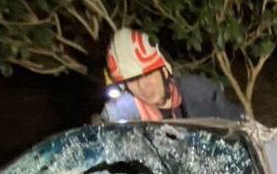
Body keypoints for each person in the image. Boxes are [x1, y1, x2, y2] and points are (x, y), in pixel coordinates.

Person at [100, 28, 244, 123]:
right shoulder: (119, 115)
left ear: (165, 70)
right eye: (132, 80)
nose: (143, 86)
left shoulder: (200, 93)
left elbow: (239, 124)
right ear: (125, 86)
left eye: (149, 73)